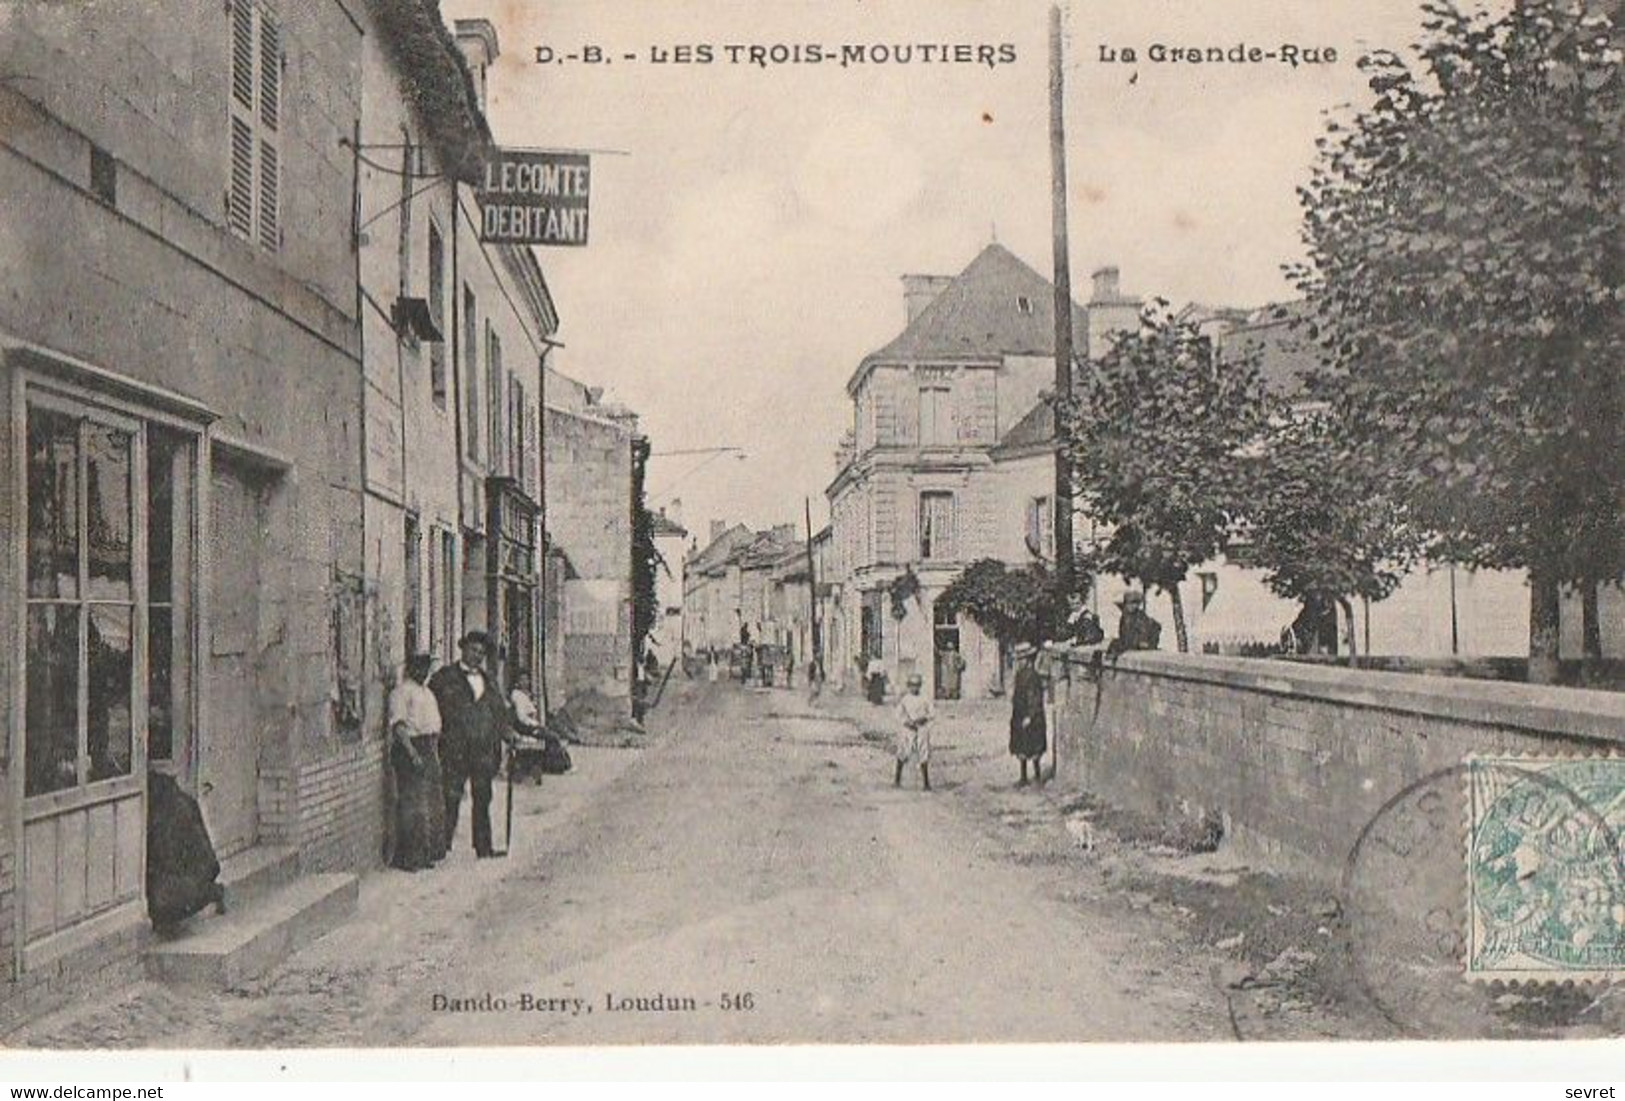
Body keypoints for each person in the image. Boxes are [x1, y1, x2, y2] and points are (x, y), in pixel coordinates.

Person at [429, 631, 513, 858]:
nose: (477, 656)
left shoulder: (488, 681)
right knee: (451, 795)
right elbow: (431, 708)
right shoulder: (444, 678)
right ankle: (441, 845)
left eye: (481, 653)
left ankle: (483, 847)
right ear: (463, 649)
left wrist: (508, 733)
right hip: (454, 748)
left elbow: (499, 712)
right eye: (473, 650)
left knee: (483, 796)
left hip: (483, 750)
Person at [146, 769, 226, 932]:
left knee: (162, 898)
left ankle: (207, 895)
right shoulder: (183, 801)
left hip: (184, 880)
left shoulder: (167, 813)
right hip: (193, 873)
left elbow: (164, 856)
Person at [387, 654, 446, 871]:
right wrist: (413, 754)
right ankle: (407, 858)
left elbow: (433, 726)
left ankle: (424, 853)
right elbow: (399, 727)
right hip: (410, 747)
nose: (424, 672)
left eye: (426, 668)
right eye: (420, 668)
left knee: (429, 804)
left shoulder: (427, 692)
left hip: (428, 747)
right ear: (412, 669)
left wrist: (433, 753)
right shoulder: (401, 692)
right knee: (412, 804)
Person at [1009, 642, 1047, 787]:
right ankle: (1023, 777)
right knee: (1021, 746)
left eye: (1022, 659)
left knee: (1034, 746)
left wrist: (1030, 716)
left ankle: (1037, 777)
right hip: (1019, 713)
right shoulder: (1020, 675)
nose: (1020, 662)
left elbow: (1034, 698)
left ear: (1029, 660)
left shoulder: (1033, 676)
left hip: (1032, 716)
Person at [893, 672, 935, 790]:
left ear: (920, 686)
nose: (914, 688)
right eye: (912, 685)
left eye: (917, 685)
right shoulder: (905, 699)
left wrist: (924, 718)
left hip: (921, 728)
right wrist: (907, 722)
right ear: (908, 686)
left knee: (924, 753)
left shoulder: (925, 698)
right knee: (903, 752)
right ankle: (897, 780)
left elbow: (932, 713)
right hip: (908, 729)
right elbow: (898, 714)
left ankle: (926, 783)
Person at [1107, 590, 1162, 657]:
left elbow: (1148, 628)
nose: (1131, 606)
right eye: (1129, 604)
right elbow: (1123, 633)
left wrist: (1144, 642)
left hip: (1137, 642)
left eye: (1134, 604)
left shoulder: (1140, 616)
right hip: (1129, 642)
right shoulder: (1125, 617)